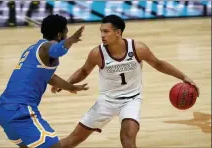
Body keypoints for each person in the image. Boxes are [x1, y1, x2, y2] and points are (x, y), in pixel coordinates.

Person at [51, 14, 200, 148]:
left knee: (127, 139)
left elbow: (159, 64)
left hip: (131, 100)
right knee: (72, 141)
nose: (102, 35)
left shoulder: (137, 48)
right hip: (106, 101)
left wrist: (184, 77)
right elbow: (84, 71)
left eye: (106, 31)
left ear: (118, 32)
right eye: (101, 31)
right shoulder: (97, 53)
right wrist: (67, 84)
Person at [0, 14, 89, 148]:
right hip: (21, 109)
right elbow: (56, 50)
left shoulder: (33, 49)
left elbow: (50, 77)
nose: (67, 36)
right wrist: (70, 42)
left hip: (3, 109)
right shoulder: (46, 47)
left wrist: (71, 87)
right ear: (59, 35)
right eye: (66, 33)